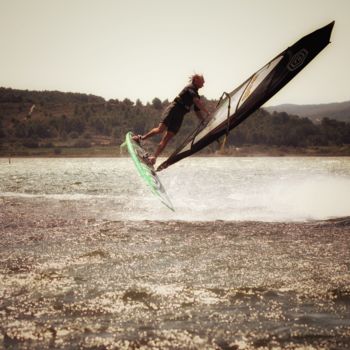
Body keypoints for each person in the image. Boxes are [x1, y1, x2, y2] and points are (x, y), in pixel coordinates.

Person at [133, 74, 210, 165]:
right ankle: (141, 138)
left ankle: (154, 158)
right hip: (174, 109)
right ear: (196, 80)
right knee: (160, 129)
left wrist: (203, 120)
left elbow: (197, 110)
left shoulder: (197, 95)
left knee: (167, 138)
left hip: (180, 115)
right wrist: (207, 112)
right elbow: (197, 102)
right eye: (202, 81)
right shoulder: (190, 88)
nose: (204, 83)